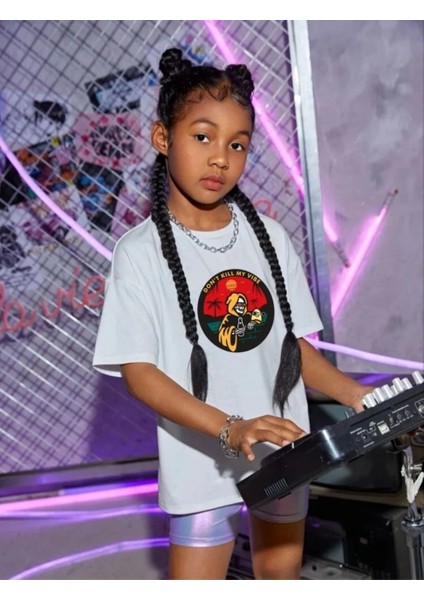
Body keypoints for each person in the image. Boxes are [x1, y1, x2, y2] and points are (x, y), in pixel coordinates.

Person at [92, 47, 374, 580]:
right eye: (203, 137)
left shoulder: (270, 237)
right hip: (201, 462)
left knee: (279, 581)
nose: (221, 158)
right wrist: (230, 428)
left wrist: (354, 393)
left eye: (237, 144)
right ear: (162, 138)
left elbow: (289, 348)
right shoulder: (140, 252)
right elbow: (139, 372)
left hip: (283, 448)